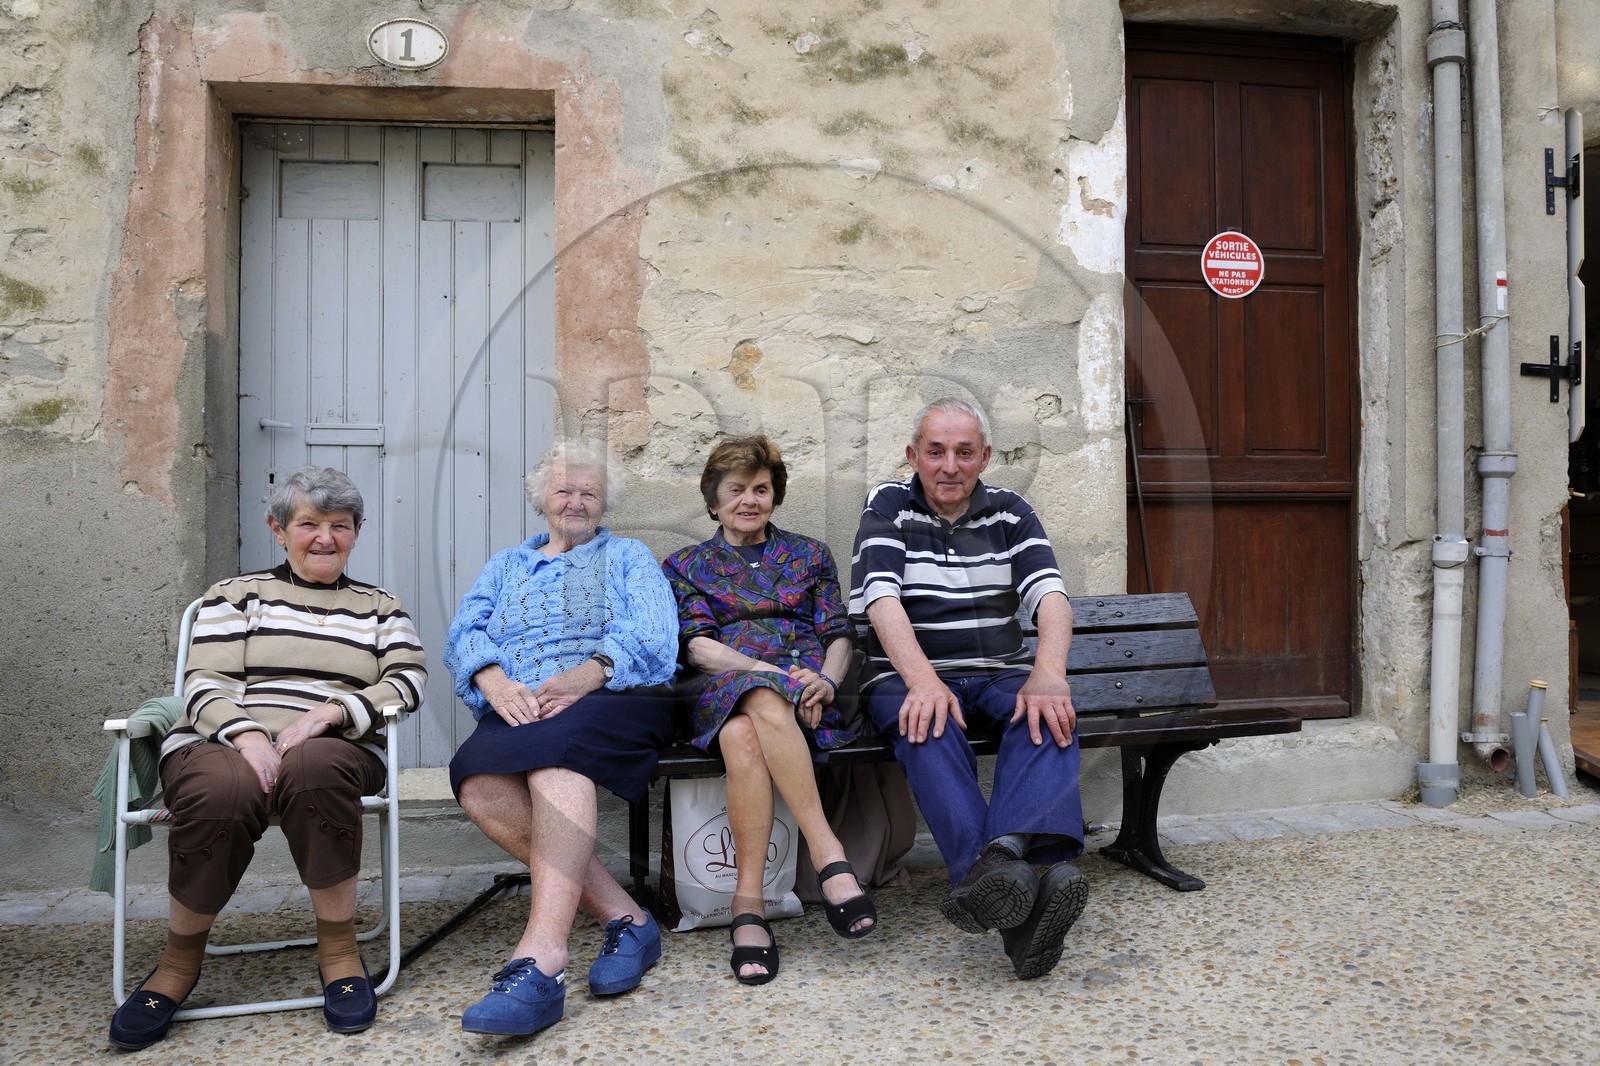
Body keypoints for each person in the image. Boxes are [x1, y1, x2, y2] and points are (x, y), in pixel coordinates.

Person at [108, 466, 428, 1049]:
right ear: (278, 529)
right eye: (309, 524)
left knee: (317, 768)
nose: (325, 538)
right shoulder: (236, 595)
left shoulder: (381, 608)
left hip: (336, 747)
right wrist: (249, 737)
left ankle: (338, 951)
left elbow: (407, 681)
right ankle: (178, 964)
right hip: (222, 741)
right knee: (223, 790)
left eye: (340, 525)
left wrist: (329, 714)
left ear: (357, 531)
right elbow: (203, 683)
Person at [445, 441, 679, 1037]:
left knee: (555, 764)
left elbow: (655, 636)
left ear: (605, 503)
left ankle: (540, 961)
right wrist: (493, 680)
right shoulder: (506, 565)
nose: (575, 501)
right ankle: (628, 918)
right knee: (478, 781)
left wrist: (586, 674)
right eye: (564, 490)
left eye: (589, 492)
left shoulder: (627, 556)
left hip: (617, 695)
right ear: (542, 498)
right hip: (527, 703)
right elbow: (464, 632)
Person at [848, 399, 1088, 980]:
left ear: (984, 457)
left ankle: (999, 859)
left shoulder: (1011, 511)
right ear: (913, 456)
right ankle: (1015, 901)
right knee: (924, 722)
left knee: (1048, 714)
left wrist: (1050, 673)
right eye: (935, 452)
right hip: (906, 674)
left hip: (999, 669)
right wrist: (924, 680)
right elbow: (880, 597)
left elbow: (1049, 596)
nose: (949, 465)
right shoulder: (887, 505)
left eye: (963, 452)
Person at [662, 435, 877, 985]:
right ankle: (829, 855)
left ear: (774, 497)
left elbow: (837, 632)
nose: (750, 501)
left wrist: (826, 680)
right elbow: (698, 647)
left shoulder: (809, 554)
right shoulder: (686, 564)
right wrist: (770, 674)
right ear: (713, 501)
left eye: (761, 490)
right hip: (723, 686)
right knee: (755, 695)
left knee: (743, 737)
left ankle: (748, 909)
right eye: (736, 490)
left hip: (809, 697)